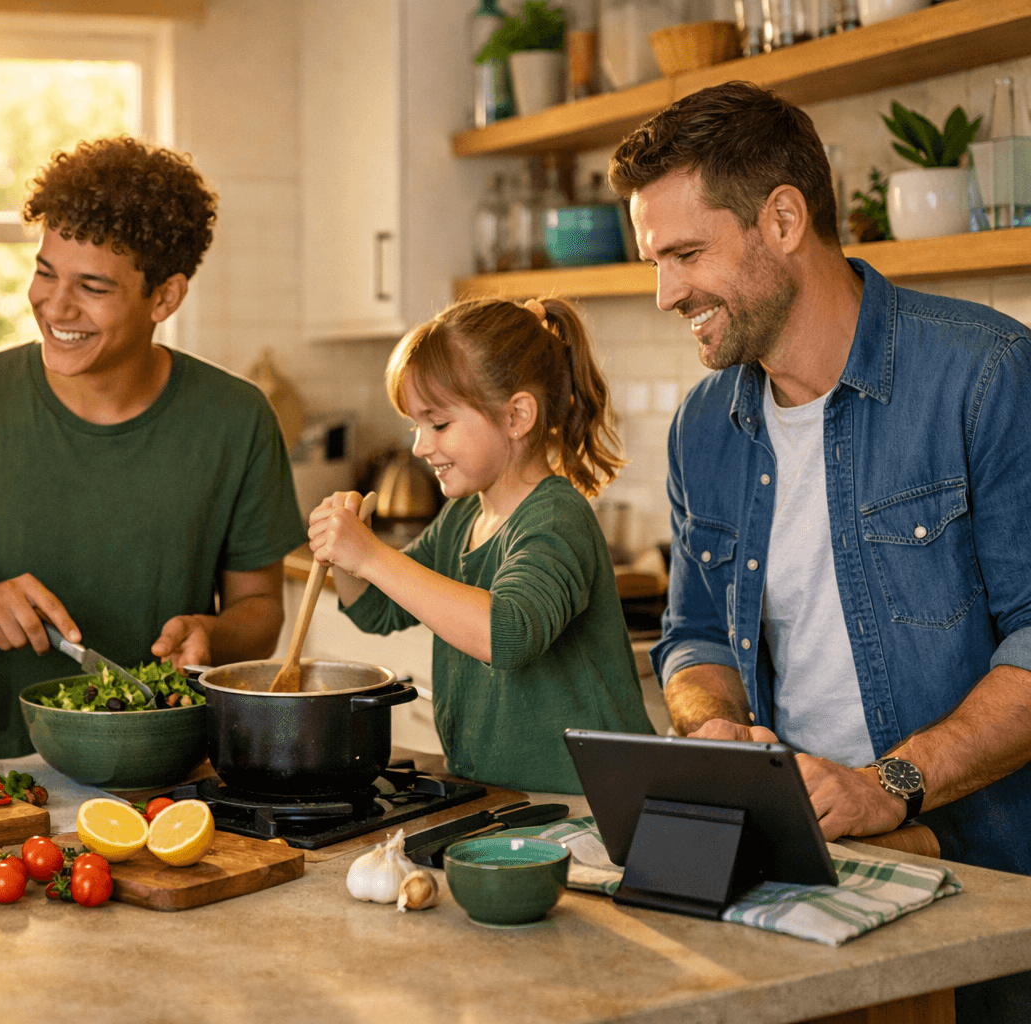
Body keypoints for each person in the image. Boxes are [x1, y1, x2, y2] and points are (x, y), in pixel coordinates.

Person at [612, 81, 1031, 1021]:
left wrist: (890, 785)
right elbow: (692, 635)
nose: (665, 291)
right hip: (803, 879)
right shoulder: (702, 428)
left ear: (785, 219)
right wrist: (709, 722)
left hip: (985, 875)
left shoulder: (987, 376)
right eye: (656, 260)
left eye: (686, 253)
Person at [0, 137, 306, 761]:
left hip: (174, 774)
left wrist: (211, 634)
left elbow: (260, 609)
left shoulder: (236, 419)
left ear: (165, 298)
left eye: (92, 287)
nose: (55, 305)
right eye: (46, 272)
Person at [306, 296, 654, 794]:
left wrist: (373, 556)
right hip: (504, 798)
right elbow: (377, 610)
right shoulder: (464, 517)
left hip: (592, 804)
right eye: (416, 426)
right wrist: (343, 555)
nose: (420, 446)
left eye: (439, 424)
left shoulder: (555, 518)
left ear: (517, 416)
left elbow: (507, 635)